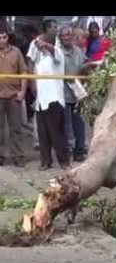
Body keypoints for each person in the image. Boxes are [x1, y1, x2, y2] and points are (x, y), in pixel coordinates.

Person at [27, 19, 69, 170]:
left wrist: (45, 45)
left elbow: (54, 53)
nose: (56, 30)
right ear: (45, 30)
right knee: (43, 133)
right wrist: (32, 83)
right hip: (41, 98)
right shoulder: (35, 45)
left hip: (54, 97)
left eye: (56, 27)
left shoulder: (58, 48)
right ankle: (46, 161)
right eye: (53, 28)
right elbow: (31, 62)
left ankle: (64, 161)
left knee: (57, 132)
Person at [59, 26, 90, 162]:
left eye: (68, 35)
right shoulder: (58, 53)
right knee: (66, 126)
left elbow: (84, 66)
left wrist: (88, 67)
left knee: (80, 124)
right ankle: (67, 151)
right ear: (60, 38)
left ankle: (79, 150)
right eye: (63, 36)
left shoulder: (78, 51)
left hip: (78, 94)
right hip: (63, 94)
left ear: (72, 37)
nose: (66, 38)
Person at [0, 27, 27, 167]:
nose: (1, 40)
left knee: (15, 129)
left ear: (7, 37)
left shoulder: (16, 52)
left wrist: (22, 91)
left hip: (13, 96)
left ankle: (18, 156)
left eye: (3, 37)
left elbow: (23, 72)